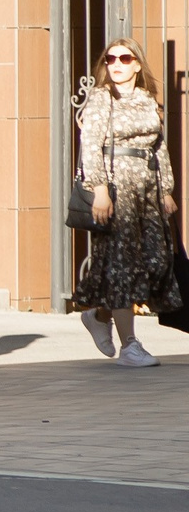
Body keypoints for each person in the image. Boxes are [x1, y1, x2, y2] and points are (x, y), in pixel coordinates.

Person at [72, 39, 181, 365]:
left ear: (137, 64)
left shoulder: (147, 100)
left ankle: (99, 316)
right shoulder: (102, 98)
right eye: (111, 59)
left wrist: (166, 189)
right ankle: (130, 346)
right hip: (115, 190)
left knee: (157, 262)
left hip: (146, 192)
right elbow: (91, 144)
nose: (116, 64)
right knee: (121, 268)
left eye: (124, 58)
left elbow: (159, 147)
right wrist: (100, 190)